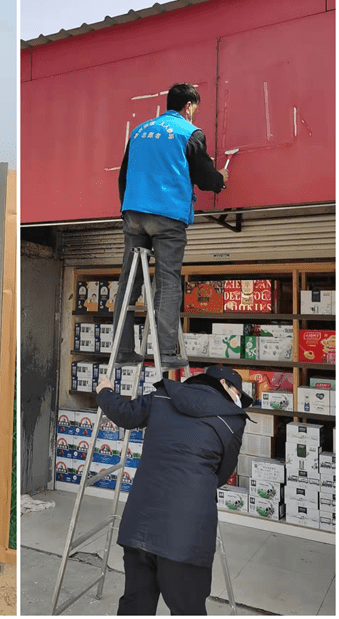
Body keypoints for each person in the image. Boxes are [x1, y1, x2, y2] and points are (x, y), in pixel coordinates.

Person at [95, 364, 254, 615]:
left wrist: (105, 391)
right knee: (187, 609)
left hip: (140, 525)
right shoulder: (232, 420)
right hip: (186, 536)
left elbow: (125, 414)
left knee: (136, 605)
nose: (239, 399)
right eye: (238, 393)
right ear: (224, 385)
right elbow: (221, 475)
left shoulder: (162, 394)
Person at [114, 83, 228, 368]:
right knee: (167, 281)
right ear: (188, 107)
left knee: (129, 281)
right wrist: (221, 177)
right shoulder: (190, 133)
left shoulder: (139, 131)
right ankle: (165, 352)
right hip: (167, 216)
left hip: (134, 214)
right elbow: (205, 178)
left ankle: (123, 349)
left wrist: (128, 210)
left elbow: (123, 175)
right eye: (196, 109)